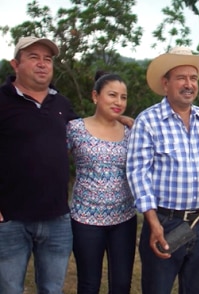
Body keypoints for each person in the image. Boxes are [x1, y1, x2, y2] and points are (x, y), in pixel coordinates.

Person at [126, 46, 199, 294]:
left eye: (193, 78)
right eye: (181, 78)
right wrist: (152, 223)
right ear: (166, 84)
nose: (189, 84)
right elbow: (137, 173)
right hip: (164, 223)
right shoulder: (148, 121)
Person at [0, 36, 78, 293]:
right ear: (15, 64)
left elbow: (90, 133)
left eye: (48, 59)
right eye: (33, 57)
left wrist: (121, 120)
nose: (42, 64)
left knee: (52, 289)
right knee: (10, 289)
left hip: (57, 219)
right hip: (10, 220)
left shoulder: (62, 104)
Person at [67, 72, 137, 294]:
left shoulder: (131, 132)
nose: (118, 102)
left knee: (121, 284)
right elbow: (52, 162)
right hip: (85, 219)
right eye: (112, 95)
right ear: (96, 96)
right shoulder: (74, 129)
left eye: (123, 97)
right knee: (89, 284)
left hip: (124, 218)